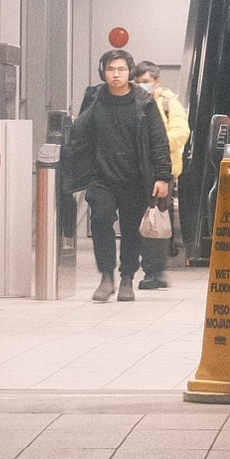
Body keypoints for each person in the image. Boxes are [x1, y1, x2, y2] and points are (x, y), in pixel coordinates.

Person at [64, 48, 174, 301]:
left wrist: (162, 177)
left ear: (129, 73)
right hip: (102, 178)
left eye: (121, 69)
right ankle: (106, 276)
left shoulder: (144, 103)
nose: (116, 74)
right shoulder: (94, 99)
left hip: (135, 178)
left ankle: (127, 278)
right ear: (103, 72)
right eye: (111, 69)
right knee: (101, 219)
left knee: (131, 229)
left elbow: (159, 141)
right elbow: (80, 134)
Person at [137, 60, 193, 287]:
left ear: (157, 81)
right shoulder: (134, 102)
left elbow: (181, 132)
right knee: (143, 222)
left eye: (146, 82)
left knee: (156, 221)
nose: (142, 86)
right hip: (137, 170)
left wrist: (155, 145)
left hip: (162, 170)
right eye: (138, 82)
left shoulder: (169, 103)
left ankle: (154, 271)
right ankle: (151, 269)